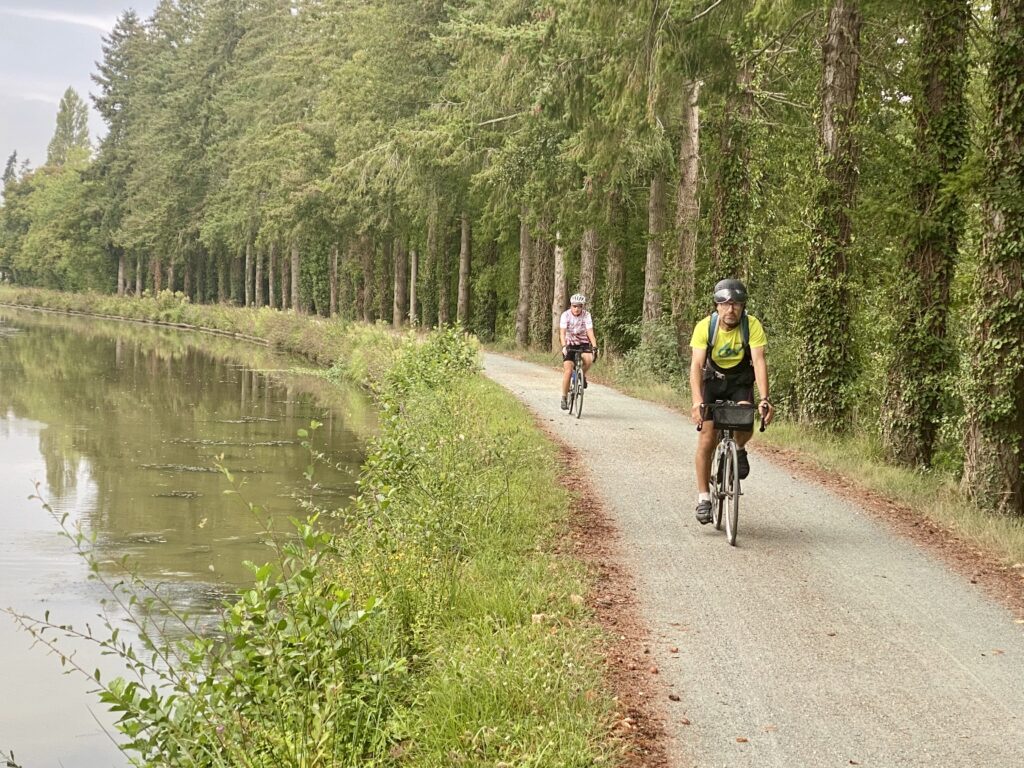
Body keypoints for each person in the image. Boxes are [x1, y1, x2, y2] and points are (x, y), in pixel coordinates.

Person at [689, 278, 774, 524]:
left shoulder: (752, 325)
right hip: (712, 381)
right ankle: (704, 498)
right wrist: (697, 401)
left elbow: (759, 361)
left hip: (740, 381)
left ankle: (738, 448)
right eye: (725, 304)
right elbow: (696, 365)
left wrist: (765, 399)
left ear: (743, 306)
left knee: (745, 420)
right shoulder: (705, 327)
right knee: (707, 437)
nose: (731, 309)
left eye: (736, 304)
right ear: (717, 306)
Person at [559, 293, 598, 410]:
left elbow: (590, 331)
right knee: (568, 371)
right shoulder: (565, 315)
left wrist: (594, 346)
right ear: (571, 305)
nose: (577, 309)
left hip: (583, 343)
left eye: (579, 306)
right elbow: (562, 333)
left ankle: (581, 375)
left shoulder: (586, 315)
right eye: (574, 306)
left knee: (589, 360)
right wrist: (564, 346)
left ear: (582, 307)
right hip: (569, 343)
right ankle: (564, 397)